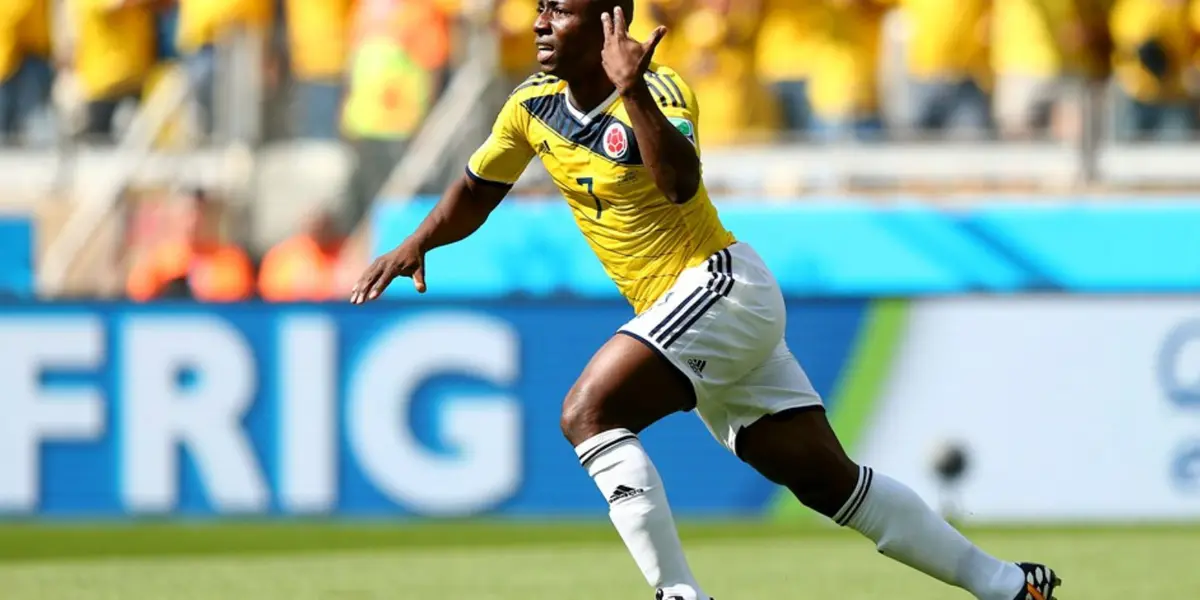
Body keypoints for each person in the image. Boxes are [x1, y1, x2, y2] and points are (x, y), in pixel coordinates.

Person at [350, 1, 1061, 600]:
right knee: (830, 485)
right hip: (691, 313)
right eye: (538, 7)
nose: (538, 22)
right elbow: (478, 189)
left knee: (587, 413)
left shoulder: (658, 92)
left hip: (719, 284)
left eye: (558, 10)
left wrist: (630, 91)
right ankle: (1008, 585)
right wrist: (420, 242)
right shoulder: (530, 107)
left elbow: (680, 184)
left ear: (606, 23)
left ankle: (679, 595)